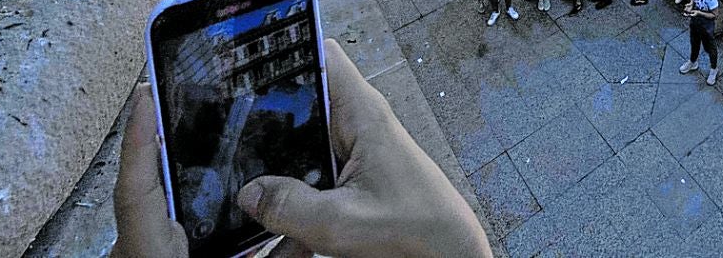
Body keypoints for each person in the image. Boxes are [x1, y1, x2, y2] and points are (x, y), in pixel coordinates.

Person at [112, 37, 490, 258]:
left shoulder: (254, 116)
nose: (226, 62)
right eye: (218, 58)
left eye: (227, 56)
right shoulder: (207, 111)